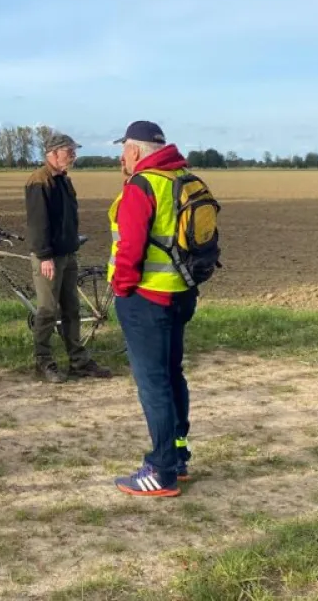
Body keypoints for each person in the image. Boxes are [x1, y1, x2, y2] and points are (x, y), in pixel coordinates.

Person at [108, 120, 198, 498]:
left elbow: (130, 249)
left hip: (146, 299)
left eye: (123, 150)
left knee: (154, 383)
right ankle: (177, 454)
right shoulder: (184, 179)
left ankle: (161, 471)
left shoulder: (143, 185)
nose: (121, 158)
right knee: (172, 374)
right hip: (181, 294)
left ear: (133, 150)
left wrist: (122, 289)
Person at [24, 132, 112, 383]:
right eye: (69, 151)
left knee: (72, 308)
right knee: (47, 309)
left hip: (67, 254)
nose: (73, 156)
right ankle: (43, 362)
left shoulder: (63, 179)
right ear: (53, 153)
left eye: (74, 151)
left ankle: (79, 362)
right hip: (49, 258)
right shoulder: (39, 181)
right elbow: (38, 223)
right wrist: (44, 256)